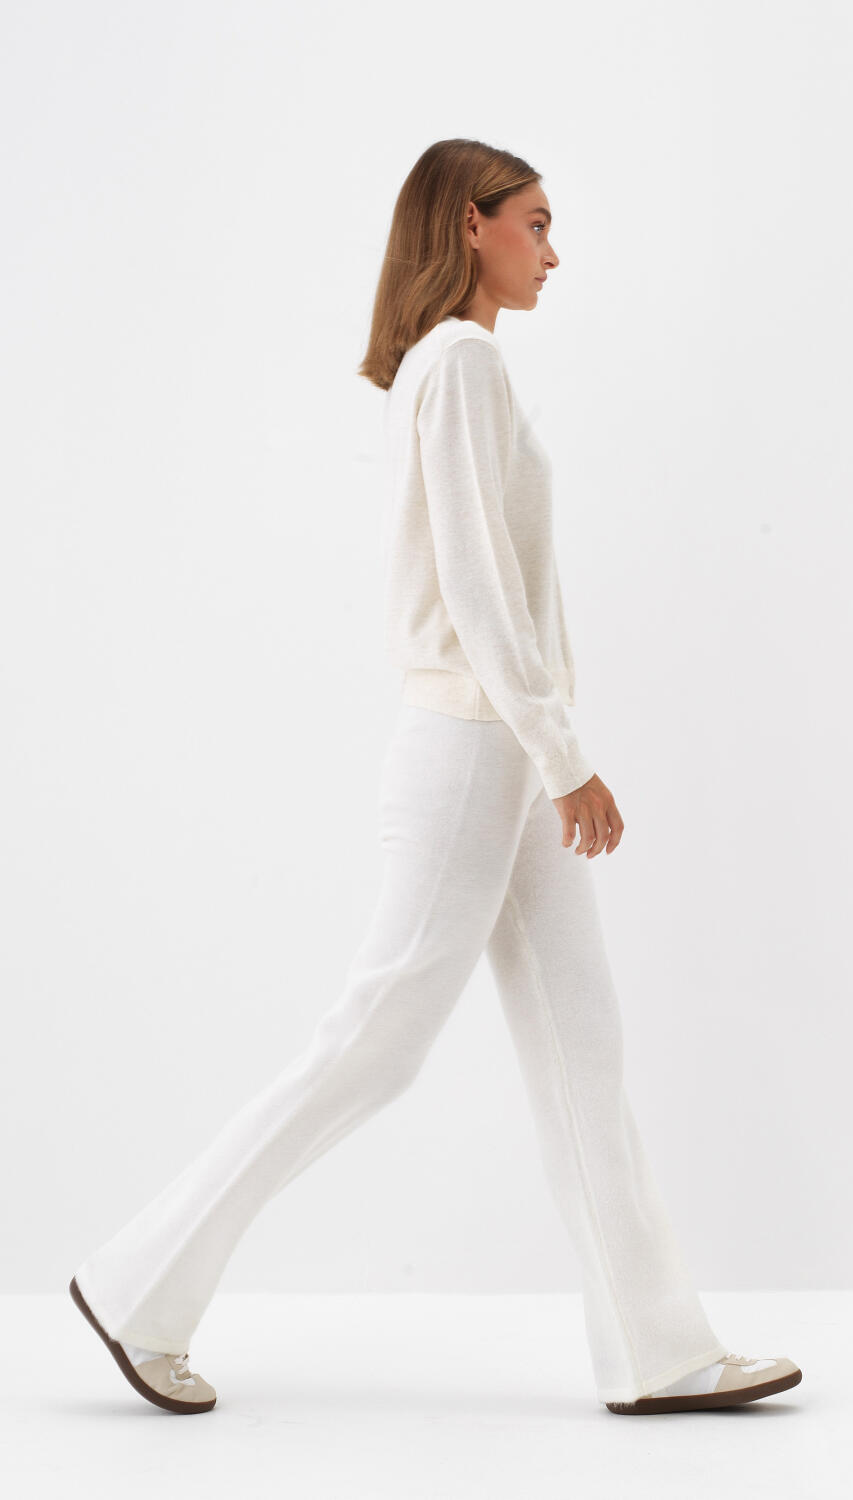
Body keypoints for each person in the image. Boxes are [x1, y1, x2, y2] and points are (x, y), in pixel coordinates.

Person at [69, 137, 802, 1417]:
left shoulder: (456, 365)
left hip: (497, 745)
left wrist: (548, 748)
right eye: (536, 223)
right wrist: (566, 757)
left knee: (583, 1048)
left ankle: (661, 1353)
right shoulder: (460, 361)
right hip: (476, 746)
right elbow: (476, 585)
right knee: (375, 1045)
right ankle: (139, 1284)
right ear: (472, 223)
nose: (553, 251)